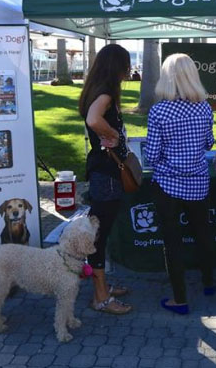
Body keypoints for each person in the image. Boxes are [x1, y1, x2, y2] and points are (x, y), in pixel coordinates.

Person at [145, 53, 216, 315]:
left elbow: (151, 156)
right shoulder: (205, 107)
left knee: (172, 242)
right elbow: (209, 143)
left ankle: (180, 298)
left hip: (167, 185)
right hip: (198, 181)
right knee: (203, 234)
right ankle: (209, 283)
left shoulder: (159, 111)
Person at [78, 44, 132, 315]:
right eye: (126, 64)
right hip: (107, 173)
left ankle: (103, 288)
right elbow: (93, 119)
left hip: (102, 170)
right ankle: (100, 297)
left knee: (101, 231)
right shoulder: (106, 94)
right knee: (99, 235)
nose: (128, 70)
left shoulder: (95, 90)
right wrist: (113, 135)